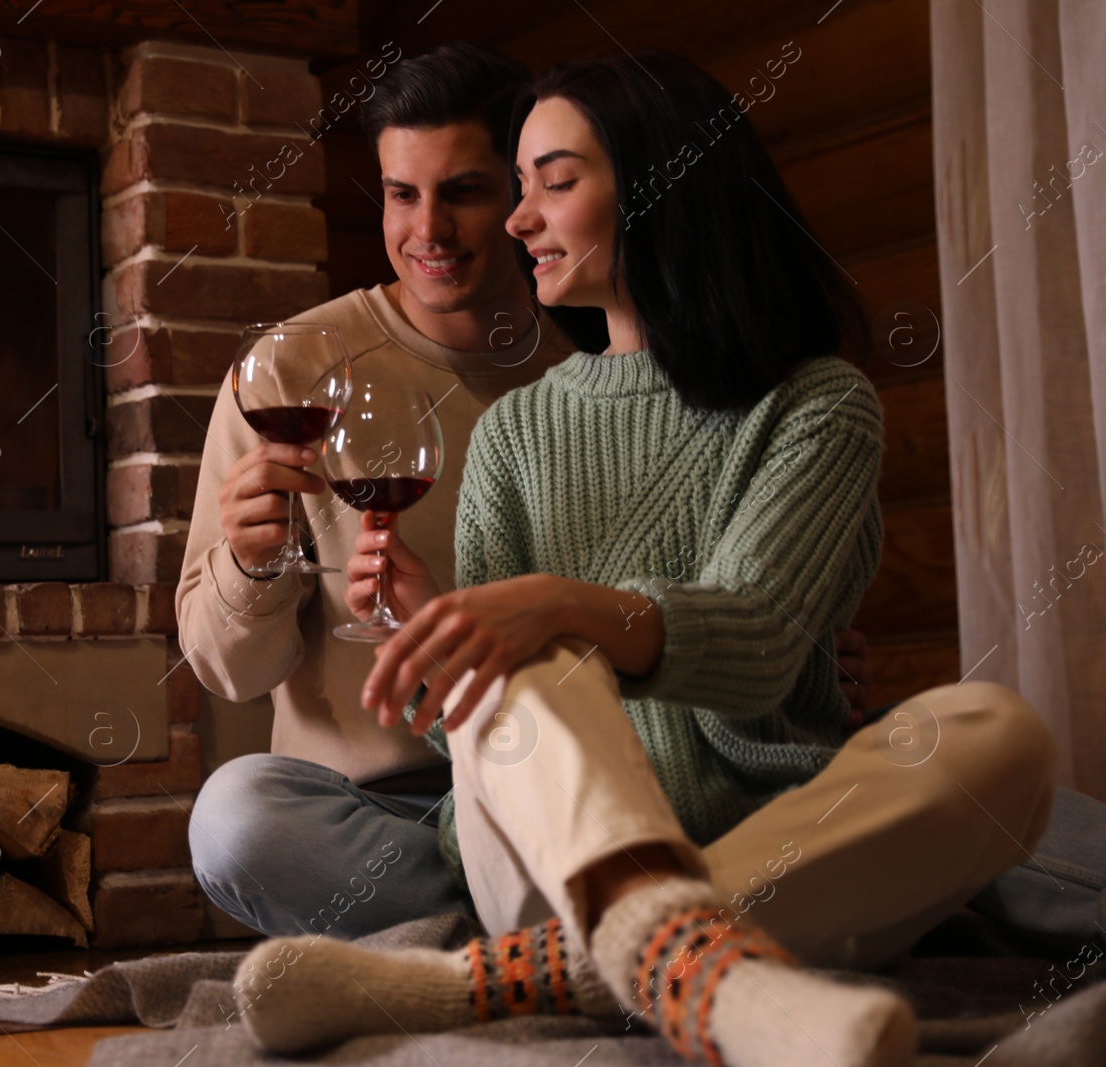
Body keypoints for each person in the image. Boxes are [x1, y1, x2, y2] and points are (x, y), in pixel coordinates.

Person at [229, 51, 1055, 1067]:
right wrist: (440, 626)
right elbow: (478, 750)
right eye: (519, 185)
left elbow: (754, 637)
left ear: (664, 183)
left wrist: (560, 603)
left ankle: (521, 975)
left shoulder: (817, 406)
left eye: (555, 182)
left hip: (774, 847)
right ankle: (690, 963)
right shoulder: (516, 432)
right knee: (510, 675)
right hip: (543, 860)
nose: (519, 220)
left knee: (996, 731)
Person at [178, 43, 882, 944]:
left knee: (970, 759)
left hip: (670, 785)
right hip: (418, 803)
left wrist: (802, 656)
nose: (434, 227)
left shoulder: (612, 370)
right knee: (242, 814)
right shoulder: (300, 379)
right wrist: (253, 562)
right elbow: (232, 670)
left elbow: (750, 617)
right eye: (400, 194)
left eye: (471, 189)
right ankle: (616, 941)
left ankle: (535, 952)